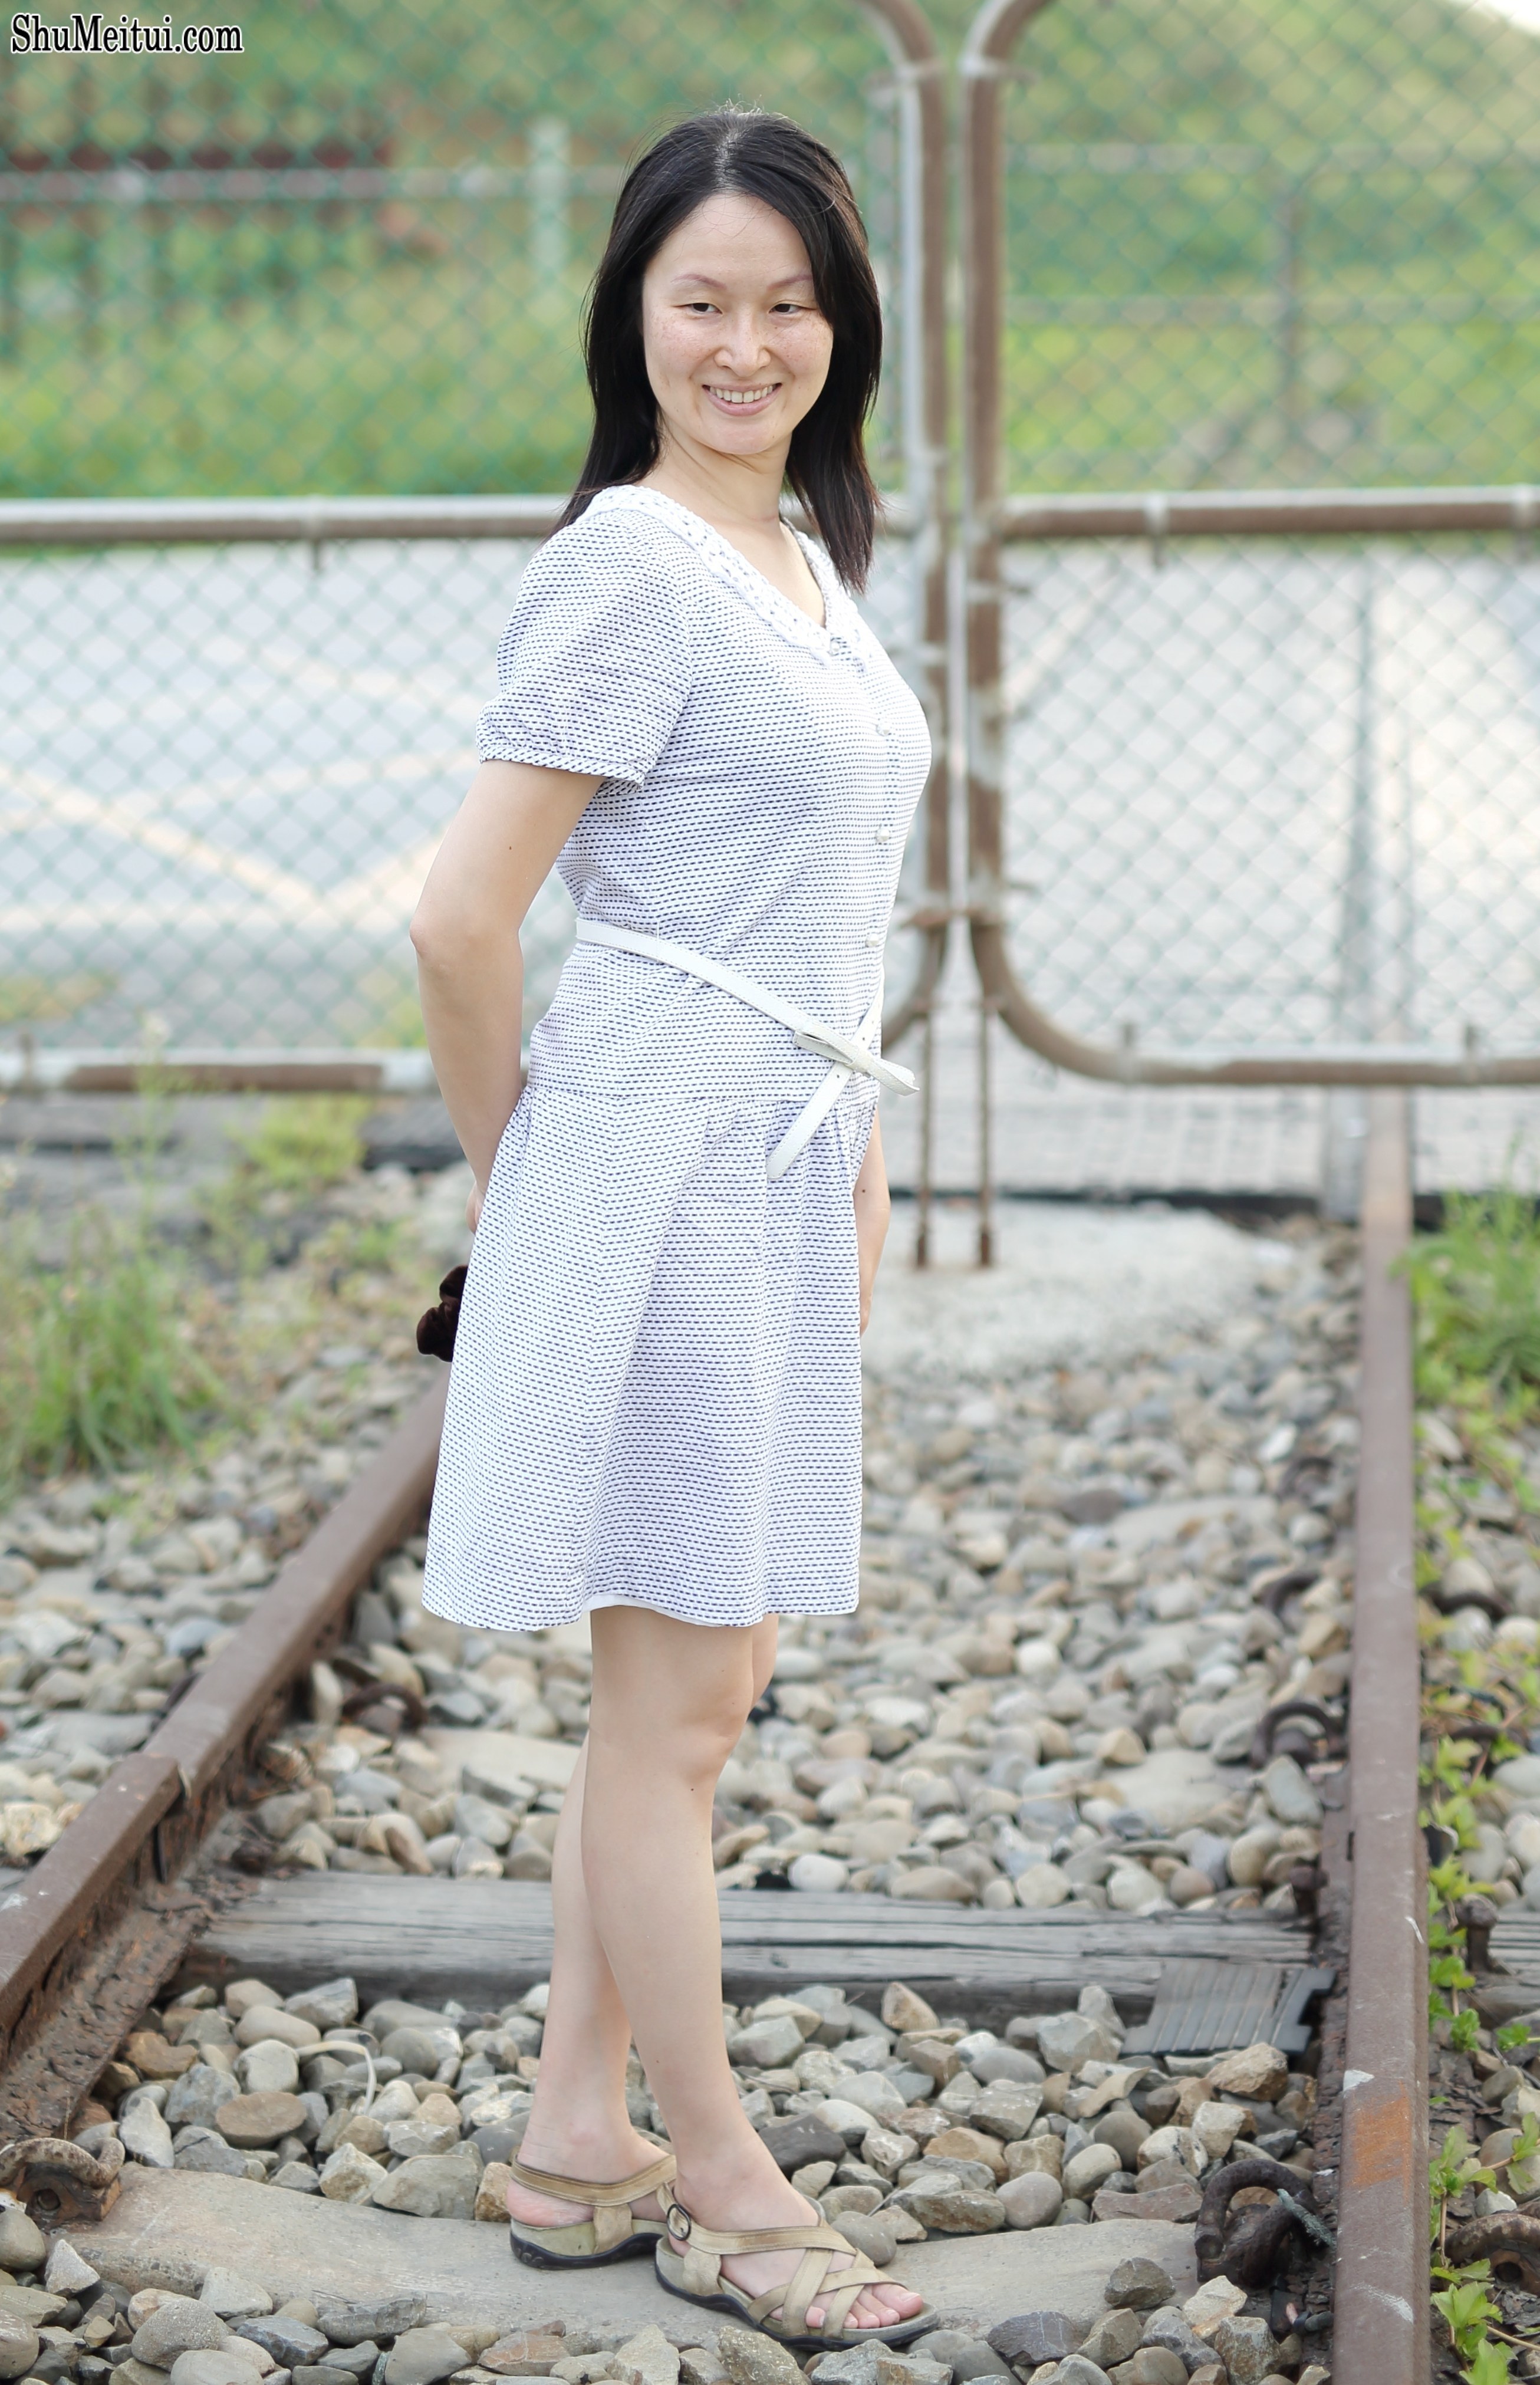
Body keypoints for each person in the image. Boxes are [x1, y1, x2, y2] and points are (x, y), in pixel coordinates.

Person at [409, 104, 932, 2348]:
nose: (746, 344)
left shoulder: (790, 550)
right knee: (683, 1705)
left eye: (787, 303)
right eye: (701, 299)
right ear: (631, 313)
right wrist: (528, 1187)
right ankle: (724, 2188)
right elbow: (458, 921)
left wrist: (855, 1157)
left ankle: (573, 2133)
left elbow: (804, 909)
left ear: (842, 324)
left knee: (692, 1690)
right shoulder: (633, 563)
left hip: (775, 1153)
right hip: (655, 1155)